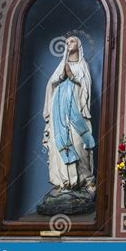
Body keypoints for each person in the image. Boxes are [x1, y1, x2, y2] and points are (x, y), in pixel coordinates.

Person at [42, 36, 96, 194]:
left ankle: (86, 181)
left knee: (79, 144)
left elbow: (86, 86)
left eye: (72, 41)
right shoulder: (62, 65)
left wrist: (72, 76)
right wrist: (62, 74)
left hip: (76, 111)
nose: (68, 43)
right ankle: (62, 182)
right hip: (59, 110)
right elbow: (52, 84)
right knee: (58, 144)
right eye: (66, 42)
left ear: (79, 44)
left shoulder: (82, 65)